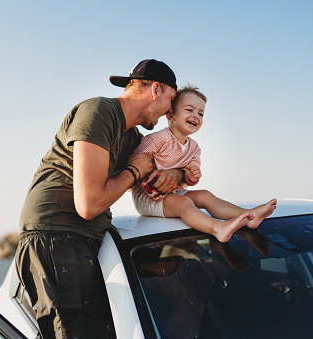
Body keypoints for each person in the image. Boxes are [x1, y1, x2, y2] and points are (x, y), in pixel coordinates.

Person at [14, 59, 184, 339]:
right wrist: (133, 171)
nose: (171, 112)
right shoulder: (98, 111)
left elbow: (158, 177)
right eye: (172, 100)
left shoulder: (133, 138)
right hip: (56, 236)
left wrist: (176, 175)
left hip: (88, 241)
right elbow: (89, 205)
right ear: (155, 89)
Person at [132, 84, 277, 243]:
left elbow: (189, 182)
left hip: (172, 193)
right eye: (189, 110)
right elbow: (136, 162)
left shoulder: (194, 148)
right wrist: (147, 184)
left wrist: (192, 175)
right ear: (171, 114)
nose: (196, 116)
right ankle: (217, 228)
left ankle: (248, 215)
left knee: (205, 195)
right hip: (149, 196)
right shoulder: (158, 138)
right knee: (184, 203)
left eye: (201, 113)